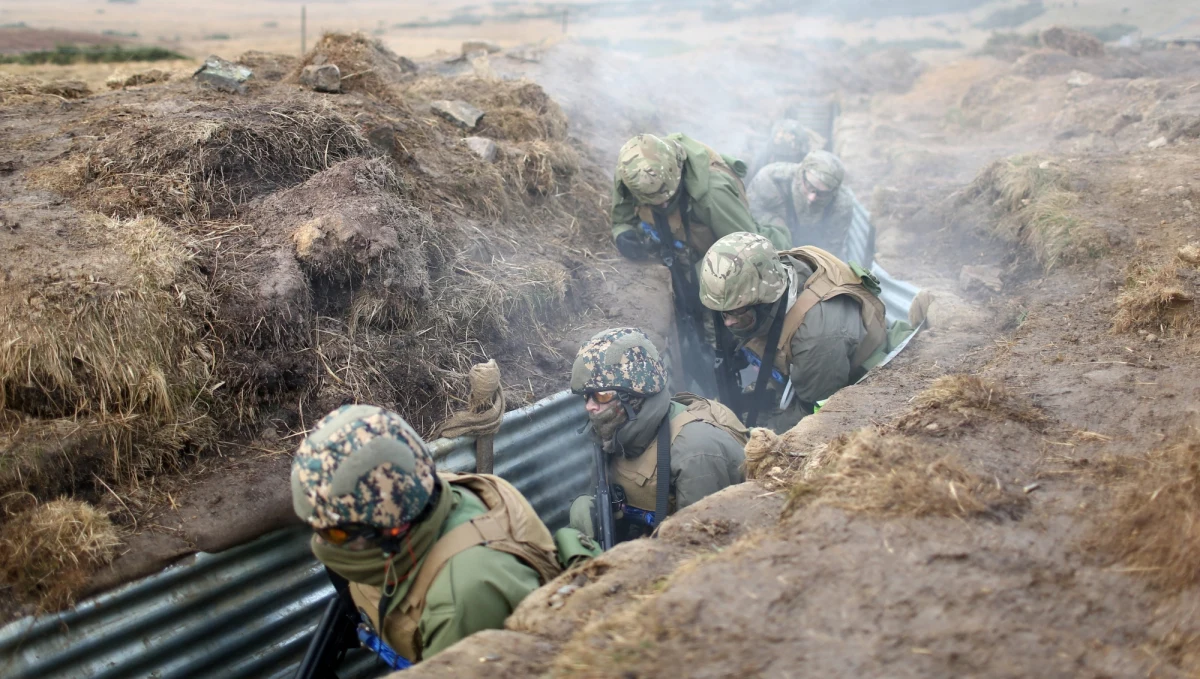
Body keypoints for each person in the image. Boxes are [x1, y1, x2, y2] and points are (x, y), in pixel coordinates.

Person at [290, 404, 586, 666]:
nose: (323, 544)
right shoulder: (421, 490)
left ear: (393, 528)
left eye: (338, 534)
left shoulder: (464, 596)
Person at [698, 233, 911, 433]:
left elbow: (815, 416)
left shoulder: (817, 339)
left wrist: (753, 434)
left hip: (846, 389)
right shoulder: (770, 272)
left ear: (765, 301)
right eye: (723, 313)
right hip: (799, 371)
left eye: (737, 312)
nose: (728, 322)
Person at [566, 327, 748, 543]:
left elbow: (702, 551)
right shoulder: (614, 435)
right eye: (586, 396)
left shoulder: (696, 452)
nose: (589, 406)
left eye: (601, 395)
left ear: (635, 396)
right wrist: (590, 508)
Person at [747, 150, 872, 265]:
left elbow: (831, 249)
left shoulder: (841, 204)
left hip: (809, 255)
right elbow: (749, 222)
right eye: (810, 186)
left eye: (822, 193)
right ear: (801, 173)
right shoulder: (771, 180)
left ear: (833, 191)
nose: (812, 197)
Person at [749, 119, 827, 178]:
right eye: (778, 133)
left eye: (784, 133)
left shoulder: (808, 154)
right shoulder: (766, 153)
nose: (779, 136)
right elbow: (756, 175)